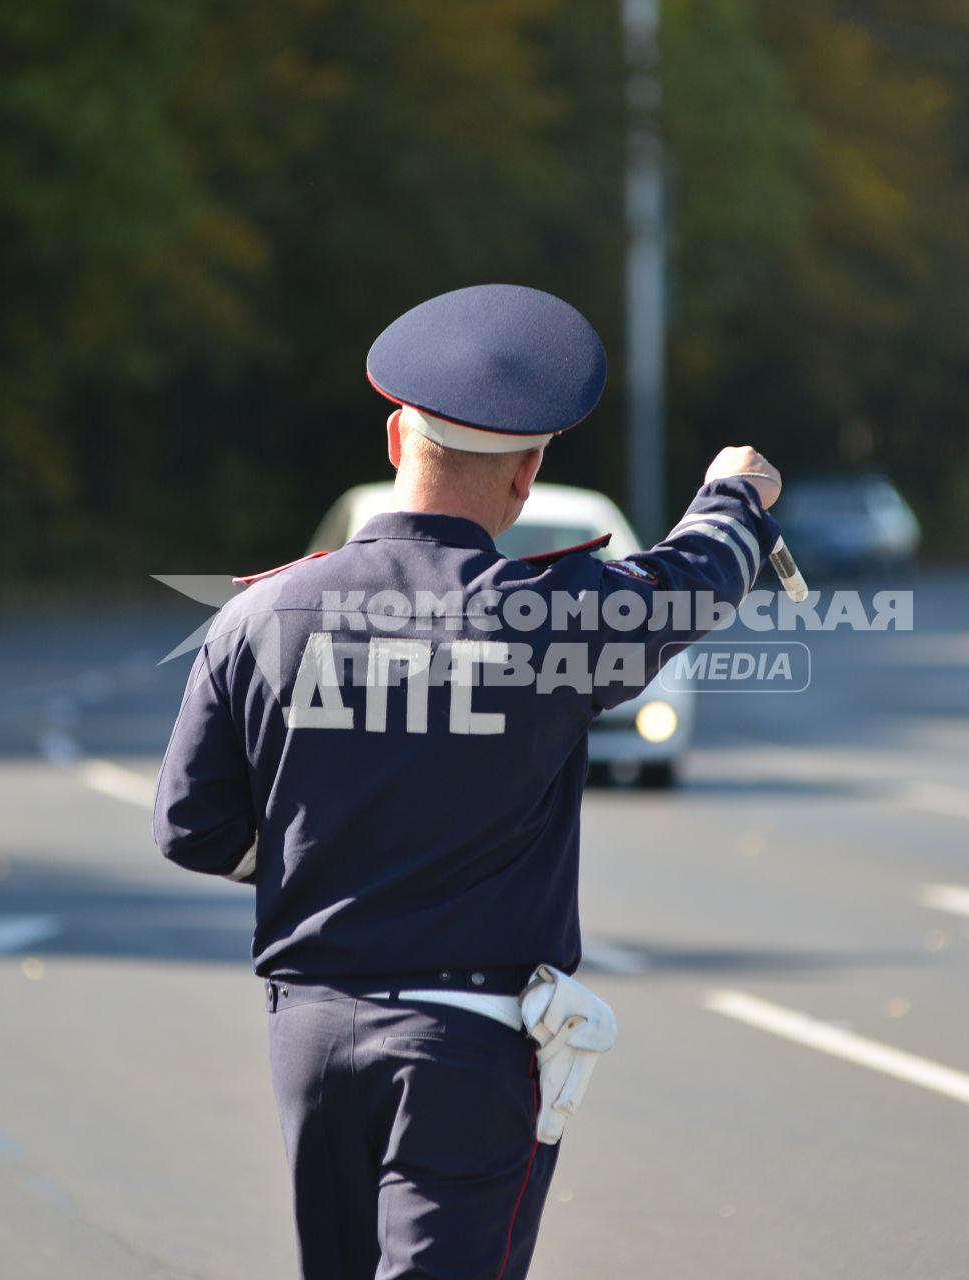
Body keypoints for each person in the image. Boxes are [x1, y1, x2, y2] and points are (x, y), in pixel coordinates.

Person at [155, 283, 782, 1279]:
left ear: (396, 436)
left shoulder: (258, 614)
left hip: (311, 1028)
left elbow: (191, 825)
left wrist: (340, 860)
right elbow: (695, 579)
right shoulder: (554, 619)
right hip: (469, 1040)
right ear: (527, 472)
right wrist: (734, 494)